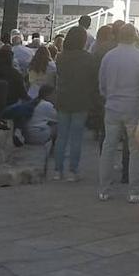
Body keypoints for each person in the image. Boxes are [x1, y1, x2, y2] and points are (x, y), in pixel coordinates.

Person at [98, 23, 139, 202]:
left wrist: (109, 96)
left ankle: (104, 190)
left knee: (108, 147)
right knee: (135, 150)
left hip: (112, 106)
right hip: (134, 108)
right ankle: (134, 192)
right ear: (135, 37)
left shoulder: (109, 56)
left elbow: (102, 84)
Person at [52, 26, 99, 182]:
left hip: (63, 99)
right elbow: (94, 80)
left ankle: (57, 170)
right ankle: (73, 171)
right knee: (76, 137)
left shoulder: (60, 57)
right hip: (81, 100)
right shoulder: (89, 58)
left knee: (62, 136)